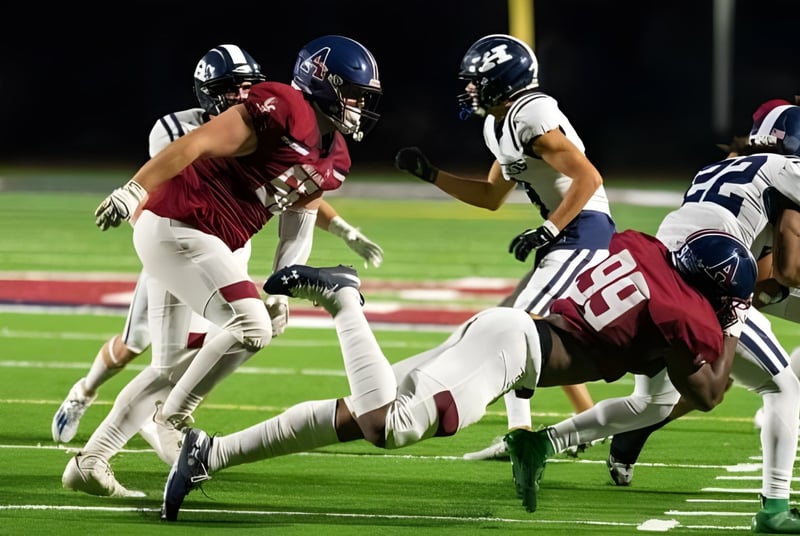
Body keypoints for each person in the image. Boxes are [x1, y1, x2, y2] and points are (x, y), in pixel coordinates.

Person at [159, 226, 756, 521]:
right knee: (388, 425)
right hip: (512, 353)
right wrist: (732, 325)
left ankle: (211, 454)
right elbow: (707, 393)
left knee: (359, 415)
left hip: (509, 332)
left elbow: (650, 357)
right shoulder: (684, 312)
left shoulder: (647, 252)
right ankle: (343, 298)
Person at [61, 35, 383, 497]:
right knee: (251, 327)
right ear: (324, 82)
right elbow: (196, 143)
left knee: (169, 367)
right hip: (180, 221)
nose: (360, 106)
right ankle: (173, 418)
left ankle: (91, 461)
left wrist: (280, 292)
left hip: (200, 238)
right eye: (354, 94)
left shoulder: (335, 158)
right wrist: (134, 189)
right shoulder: (285, 106)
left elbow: (298, 225)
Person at [514, 104, 800, 533]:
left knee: (654, 403)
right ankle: (774, 509)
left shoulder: (721, 168)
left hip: (654, 275)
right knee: (781, 388)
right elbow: (787, 271)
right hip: (704, 286)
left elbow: (759, 259)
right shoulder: (787, 171)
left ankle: (541, 442)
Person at [394, 34, 614, 461]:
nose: (469, 89)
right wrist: (432, 174)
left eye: (477, 81)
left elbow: (589, 178)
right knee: (532, 327)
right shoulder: (498, 125)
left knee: (514, 328)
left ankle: (520, 434)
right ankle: (587, 423)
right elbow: (491, 196)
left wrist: (548, 229)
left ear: (504, 82)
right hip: (565, 234)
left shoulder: (531, 114)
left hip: (583, 231)